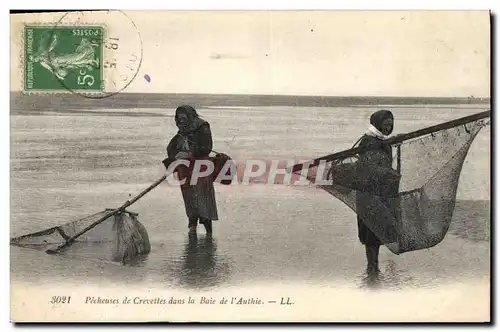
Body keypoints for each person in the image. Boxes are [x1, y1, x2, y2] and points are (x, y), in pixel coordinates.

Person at [355, 109, 401, 275]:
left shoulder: (383, 142)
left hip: (381, 193)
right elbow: (369, 166)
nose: (388, 128)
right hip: (367, 194)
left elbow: (384, 165)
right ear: (377, 124)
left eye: (391, 125)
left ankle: (373, 268)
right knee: (370, 233)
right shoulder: (367, 141)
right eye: (386, 124)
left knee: (379, 230)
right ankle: (372, 268)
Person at [166, 105, 219, 234]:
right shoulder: (182, 131)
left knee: (203, 199)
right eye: (179, 118)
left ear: (190, 116)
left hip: (201, 169)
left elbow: (206, 148)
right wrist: (176, 154)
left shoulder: (202, 127)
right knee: (189, 199)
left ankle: (208, 233)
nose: (181, 120)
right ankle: (192, 229)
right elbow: (171, 148)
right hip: (186, 169)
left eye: (184, 117)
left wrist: (189, 154)